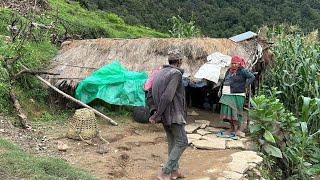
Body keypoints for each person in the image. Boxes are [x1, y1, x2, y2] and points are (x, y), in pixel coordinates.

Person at [148, 53, 188, 180]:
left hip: (165, 115)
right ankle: (165, 171)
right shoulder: (176, 74)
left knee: (173, 141)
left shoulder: (158, 73)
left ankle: (174, 171)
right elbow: (167, 96)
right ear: (180, 61)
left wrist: (155, 112)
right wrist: (157, 114)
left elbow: (149, 93)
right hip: (174, 114)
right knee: (182, 142)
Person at [217, 55, 255, 139]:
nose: (233, 65)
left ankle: (237, 129)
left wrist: (245, 85)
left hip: (238, 94)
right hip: (227, 93)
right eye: (232, 63)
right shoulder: (228, 71)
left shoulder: (243, 71)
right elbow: (224, 80)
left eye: (235, 63)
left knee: (236, 111)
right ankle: (231, 128)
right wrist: (221, 89)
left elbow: (252, 77)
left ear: (239, 63)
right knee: (227, 111)